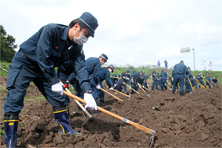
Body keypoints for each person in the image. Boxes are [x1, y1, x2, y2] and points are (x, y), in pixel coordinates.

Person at [3, 12, 99, 147]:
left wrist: (87, 91)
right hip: (25, 63)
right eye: (86, 34)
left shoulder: (76, 46)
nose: (86, 38)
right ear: (76, 26)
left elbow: (81, 67)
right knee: (15, 98)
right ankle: (10, 141)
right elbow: (42, 56)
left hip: (44, 69)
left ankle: (65, 129)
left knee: (59, 98)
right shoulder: (52, 30)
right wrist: (54, 81)